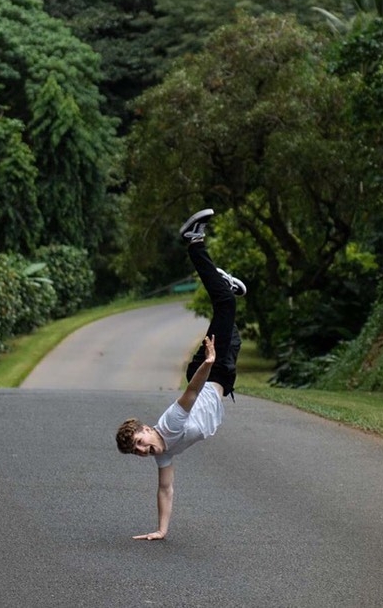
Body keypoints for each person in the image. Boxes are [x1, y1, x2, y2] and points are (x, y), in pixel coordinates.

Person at [115, 208, 246, 540]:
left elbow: (190, 392)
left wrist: (207, 361)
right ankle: (223, 282)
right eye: (138, 451)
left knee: (225, 308)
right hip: (221, 377)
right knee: (233, 328)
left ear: (146, 429)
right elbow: (165, 489)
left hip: (209, 372)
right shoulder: (166, 451)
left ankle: (193, 241)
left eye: (140, 443)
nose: (143, 451)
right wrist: (161, 530)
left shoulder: (169, 425)